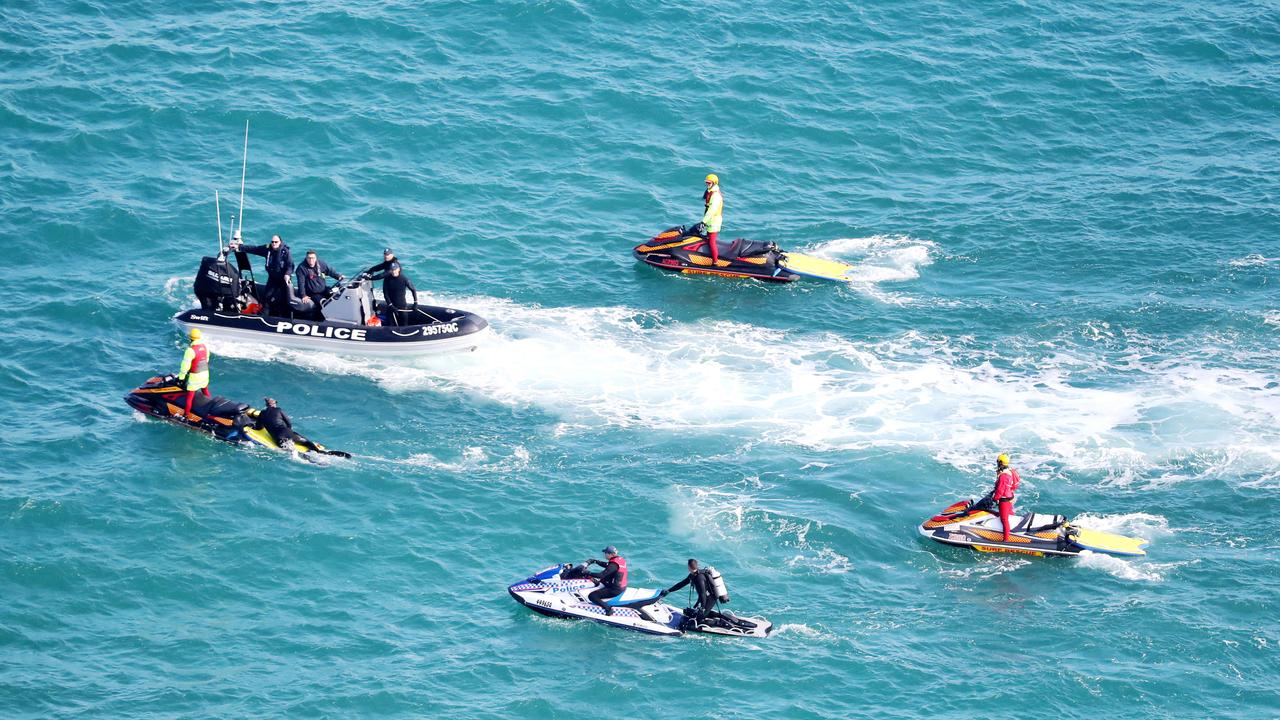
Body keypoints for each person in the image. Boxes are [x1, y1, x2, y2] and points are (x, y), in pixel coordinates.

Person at [233, 233, 294, 316]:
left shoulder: (286, 252)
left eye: (276, 242)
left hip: (283, 279)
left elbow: (290, 266)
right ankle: (264, 315)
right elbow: (255, 249)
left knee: (285, 300)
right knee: (267, 297)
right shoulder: (267, 249)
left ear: (280, 242)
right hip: (273, 278)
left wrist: (287, 274)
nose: (274, 244)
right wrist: (240, 247)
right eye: (272, 242)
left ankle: (283, 317)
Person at [663, 558, 720, 622]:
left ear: (689, 567)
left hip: (711, 598)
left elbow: (703, 593)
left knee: (699, 619)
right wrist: (669, 590)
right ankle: (708, 613)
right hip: (705, 598)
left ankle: (719, 620)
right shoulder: (692, 575)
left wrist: (702, 607)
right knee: (694, 614)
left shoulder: (699, 578)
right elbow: (682, 583)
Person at [294, 249, 343, 320]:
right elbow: (301, 283)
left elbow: (330, 271)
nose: (311, 260)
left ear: (316, 258)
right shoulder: (301, 268)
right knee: (323, 302)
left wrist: (338, 276)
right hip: (312, 293)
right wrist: (303, 295)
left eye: (313, 258)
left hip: (323, 289)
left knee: (336, 295)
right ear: (306, 258)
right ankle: (321, 319)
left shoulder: (321, 264)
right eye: (309, 258)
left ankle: (340, 314)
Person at [175, 328, 210, 420]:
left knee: (189, 397)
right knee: (205, 390)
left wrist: (181, 378)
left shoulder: (190, 350)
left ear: (191, 338)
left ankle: (185, 415)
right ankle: (210, 409)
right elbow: (206, 360)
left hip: (195, 377)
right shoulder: (205, 347)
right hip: (205, 374)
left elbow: (185, 366)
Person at [585, 546, 627, 616]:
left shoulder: (613, 565)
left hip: (615, 589)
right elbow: (607, 565)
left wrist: (588, 573)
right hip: (621, 586)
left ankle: (608, 609)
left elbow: (601, 575)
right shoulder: (620, 559)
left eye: (605, 553)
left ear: (610, 554)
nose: (604, 554)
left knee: (592, 596)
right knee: (601, 581)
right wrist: (595, 561)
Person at [992, 453, 1022, 542]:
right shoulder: (1011, 471)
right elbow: (1015, 485)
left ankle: (1006, 540)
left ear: (1000, 462)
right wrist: (1010, 490)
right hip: (1010, 496)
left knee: (1004, 519)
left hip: (1004, 499)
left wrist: (995, 499)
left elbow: (1000, 490)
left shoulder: (1004, 475)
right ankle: (1014, 532)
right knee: (1010, 514)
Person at [699, 173, 724, 263]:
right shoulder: (710, 191)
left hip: (714, 221)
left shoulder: (716, 195)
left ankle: (715, 262)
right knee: (708, 238)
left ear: (714, 183)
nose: (707, 184)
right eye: (706, 182)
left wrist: (703, 222)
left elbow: (711, 210)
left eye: (709, 183)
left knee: (712, 241)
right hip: (711, 220)